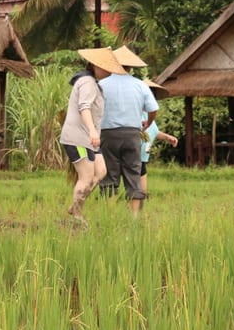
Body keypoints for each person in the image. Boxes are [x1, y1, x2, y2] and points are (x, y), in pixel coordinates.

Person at [58, 47, 126, 226]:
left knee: (101, 171)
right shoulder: (87, 82)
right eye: (107, 68)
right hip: (78, 138)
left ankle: (76, 205)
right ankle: (76, 214)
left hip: (89, 139)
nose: (110, 72)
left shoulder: (93, 83)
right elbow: (84, 107)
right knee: (86, 177)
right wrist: (92, 131)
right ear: (96, 66)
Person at [97, 46, 159, 217]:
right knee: (133, 174)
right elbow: (153, 109)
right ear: (130, 67)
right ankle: (134, 218)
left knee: (109, 175)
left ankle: (109, 216)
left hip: (108, 135)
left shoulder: (101, 85)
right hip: (132, 134)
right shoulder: (140, 85)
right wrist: (148, 123)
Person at [140, 79, 178, 193]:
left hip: (142, 156)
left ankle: (139, 201)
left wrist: (167, 137)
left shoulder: (149, 115)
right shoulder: (136, 112)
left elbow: (153, 131)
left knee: (141, 188)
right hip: (132, 154)